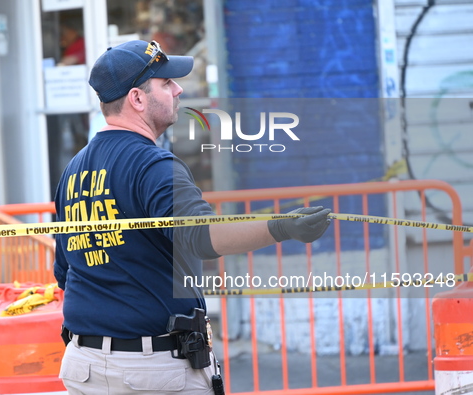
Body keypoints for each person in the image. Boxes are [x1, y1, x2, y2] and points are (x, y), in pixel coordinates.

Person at [53, 40, 331, 395]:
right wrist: (282, 227)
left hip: (85, 367)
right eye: (166, 83)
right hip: (150, 373)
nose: (178, 88)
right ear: (137, 99)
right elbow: (202, 237)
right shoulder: (152, 166)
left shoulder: (74, 171)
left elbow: (66, 269)